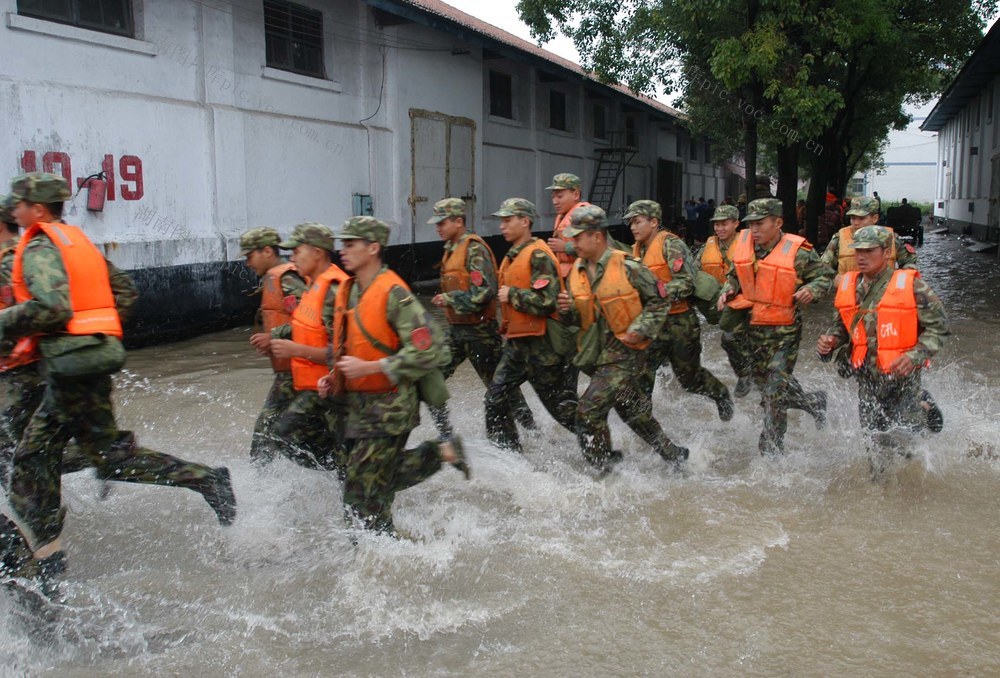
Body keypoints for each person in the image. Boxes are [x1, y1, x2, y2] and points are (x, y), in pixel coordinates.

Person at [0, 173, 234, 589]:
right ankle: (204, 479)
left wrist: (15, 326)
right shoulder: (76, 243)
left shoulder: (38, 247)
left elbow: (52, 307)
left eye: (19, 202)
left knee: (34, 459)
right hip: (85, 365)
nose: (14, 209)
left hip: (71, 369)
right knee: (79, 455)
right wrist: (98, 335)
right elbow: (123, 291)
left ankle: (45, 564)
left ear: (37, 208)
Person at [319, 216, 467, 536]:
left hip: (390, 406)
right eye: (342, 243)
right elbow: (350, 343)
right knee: (373, 492)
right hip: (357, 404)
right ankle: (390, 551)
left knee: (357, 496)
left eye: (350, 244)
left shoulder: (394, 293)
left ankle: (437, 454)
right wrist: (335, 376)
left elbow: (425, 351)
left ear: (373, 248)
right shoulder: (348, 290)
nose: (342, 250)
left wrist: (372, 368)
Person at [557, 206, 689, 474]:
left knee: (587, 411)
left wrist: (641, 328)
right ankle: (673, 454)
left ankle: (605, 469)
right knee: (633, 412)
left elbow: (660, 299)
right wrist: (566, 310)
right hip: (596, 354)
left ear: (596, 236)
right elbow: (579, 318)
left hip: (625, 354)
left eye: (578, 237)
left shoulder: (628, 266)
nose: (573, 244)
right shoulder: (578, 270)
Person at [817, 225, 947, 475]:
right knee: (874, 442)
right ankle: (879, 487)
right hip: (867, 378)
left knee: (907, 445)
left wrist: (915, 356)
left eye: (869, 251)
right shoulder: (850, 286)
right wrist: (830, 340)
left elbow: (939, 328)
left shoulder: (911, 286)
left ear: (886, 252)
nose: (861, 256)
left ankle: (923, 406)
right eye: (858, 251)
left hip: (903, 379)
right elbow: (842, 324)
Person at [717, 198, 833, 454]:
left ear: (777, 222)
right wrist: (727, 291)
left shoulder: (798, 251)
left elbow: (825, 276)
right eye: (751, 224)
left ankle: (771, 452)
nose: (754, 230)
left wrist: (811, 290)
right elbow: (735, 275)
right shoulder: (746, 245)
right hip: (752, 330)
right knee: (768, 389)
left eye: (760, 224)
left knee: (773, 395)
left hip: (784, 334)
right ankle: (814, 402)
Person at [427, 198, 535, 435]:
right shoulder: (450, 250)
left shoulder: (474, 249)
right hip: (455, 331)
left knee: (502, 390)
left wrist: (449, 299)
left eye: (442, 222)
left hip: (480, 333)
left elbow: (485, 293)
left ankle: (531, 432)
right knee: (431, 380)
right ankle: (446, 436)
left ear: (458, 221)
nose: (438, 227)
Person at [484, 198, 579, 453]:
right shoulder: (513, 255)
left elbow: (548, 302)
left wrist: (512, 294)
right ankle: (508, 454)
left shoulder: (538, 255)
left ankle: (604, 453)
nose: (502, 226)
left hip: (541, 346)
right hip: (517, 344)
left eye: (508, 220)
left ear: (525, 222)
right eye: (501, 221)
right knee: (494, 397)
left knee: (563, 411)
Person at [627, 200, 733, 421]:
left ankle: (721, 395)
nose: (633, 227)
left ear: (654, 222)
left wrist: (661, 292)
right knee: (640, 377)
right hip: (653, 324)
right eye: (631, 223)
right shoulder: (636, 249)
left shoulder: (671, 245)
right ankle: (646, 428)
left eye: (637, 222)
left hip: (680, 323)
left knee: (690, 379)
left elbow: (687, 281)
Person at [260, 223, 348, 472]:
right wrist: (275, 336)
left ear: (318, 252)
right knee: (284, 434)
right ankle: (342, 470)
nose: (292, 257)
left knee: (286, 433)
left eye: (297, 251)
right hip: (317, 387)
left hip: (336, 387)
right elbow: (306, 324)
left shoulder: (333, 290)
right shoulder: (312, 285)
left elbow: (341, 352)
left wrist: (294, 351)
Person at [237, 227, 308, 465]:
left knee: (266, 430)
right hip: (290, 370)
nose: (247, 263)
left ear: (267, 251)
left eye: (249, 256)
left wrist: (274, 336)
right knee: (280, 431)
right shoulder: (275, 278)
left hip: (298, 370)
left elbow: (312, 319)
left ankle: (259, 484)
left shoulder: (286, 278)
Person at [699, 203, 752, 397]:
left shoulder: (749, 243)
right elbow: (695, 270)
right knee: (731, 339)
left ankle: (749, 375)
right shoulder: (709, 244)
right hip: (724, 301)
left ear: (736, 223)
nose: (719, 228)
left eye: (724, 224)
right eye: (716, 224)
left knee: (731, 338)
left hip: (747, 301)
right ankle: (748, 374)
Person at [820, 196, 917, 285]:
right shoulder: (839, 238)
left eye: (861, 218)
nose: (856, 223)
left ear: (875, 218)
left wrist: (901, 280)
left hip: (885, 295)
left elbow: (909, 262)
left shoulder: (890, 238)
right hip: (849, 295)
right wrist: (834, 278)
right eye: (853, 218)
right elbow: (822, 268)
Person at [545, 173, 592, 278]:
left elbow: (596, 247)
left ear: (576, 195)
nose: (554, 202)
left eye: (560, 196)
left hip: (584, 275)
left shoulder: (586, 214)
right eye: (553, 197)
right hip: (568, 275)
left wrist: (565, 247)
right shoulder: (562, 216)